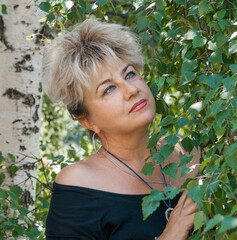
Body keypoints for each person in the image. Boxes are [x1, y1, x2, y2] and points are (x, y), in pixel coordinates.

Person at [42, 18, 200, 240]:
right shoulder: (78, 185)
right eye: (108, 89)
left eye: (129, 74)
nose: (131, 90)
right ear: (87, 120)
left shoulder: (189, 150)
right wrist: (171, 234)